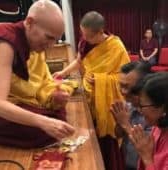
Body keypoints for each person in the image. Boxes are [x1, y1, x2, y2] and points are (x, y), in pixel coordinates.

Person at [54, 11, 130, 170]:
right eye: (83, 34)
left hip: (107, 102)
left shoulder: (116, 47)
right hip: (89, 97)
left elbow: (126, 78)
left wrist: (101, 80)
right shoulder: (84, 43)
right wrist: (63, 73)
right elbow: (78, 61)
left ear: (101, 32)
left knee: (107, 140)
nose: (85, 39)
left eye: (88, 36)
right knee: (91, 133)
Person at [0, 0, 75, 148]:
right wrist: (42, 121)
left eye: (56, 40)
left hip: (15, 100)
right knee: (42, 129)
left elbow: (42, 81)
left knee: (58, 119)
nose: (51, 46)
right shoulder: (6, 43)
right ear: (29, 22)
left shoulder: (31, 43)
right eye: (49, 38)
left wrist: (53, 96)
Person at [112, 72, 168, 170]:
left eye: (142, 106)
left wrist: (146, 157)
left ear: (162, 108)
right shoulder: (158, 127)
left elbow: (145, 156)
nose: (140, 110)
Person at [117, 62, 151, 170]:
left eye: (126, 87)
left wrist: (125, 124)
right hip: (125, 162)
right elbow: (117, 134)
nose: (122, 92)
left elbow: (147, 148)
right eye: (120, 85)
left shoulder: (153, 111)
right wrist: (119, 122)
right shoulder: (128, 104)